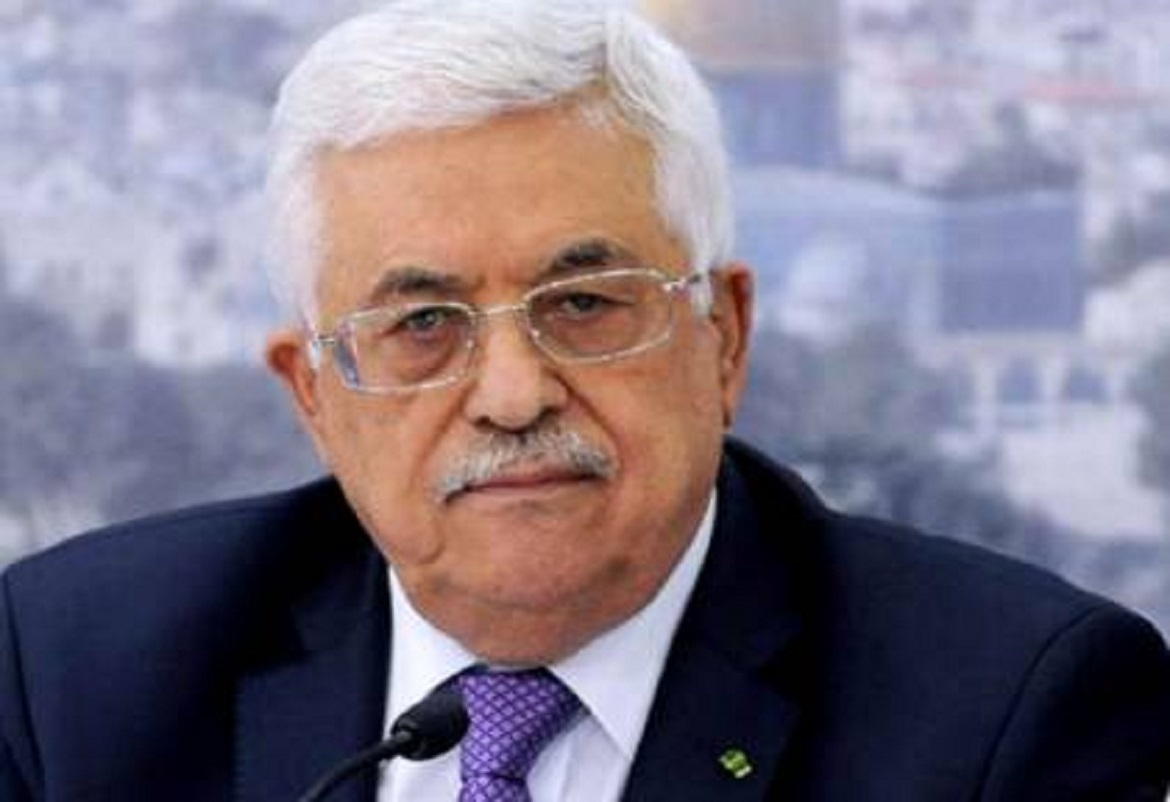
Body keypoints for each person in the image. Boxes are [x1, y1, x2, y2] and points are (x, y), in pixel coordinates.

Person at [2, 1, 1168, 800]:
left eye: (586, 304)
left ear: (724, 338)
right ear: (314, 397)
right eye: (423, 326)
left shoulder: (1011, 717)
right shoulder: (72, 677)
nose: (512, 395)